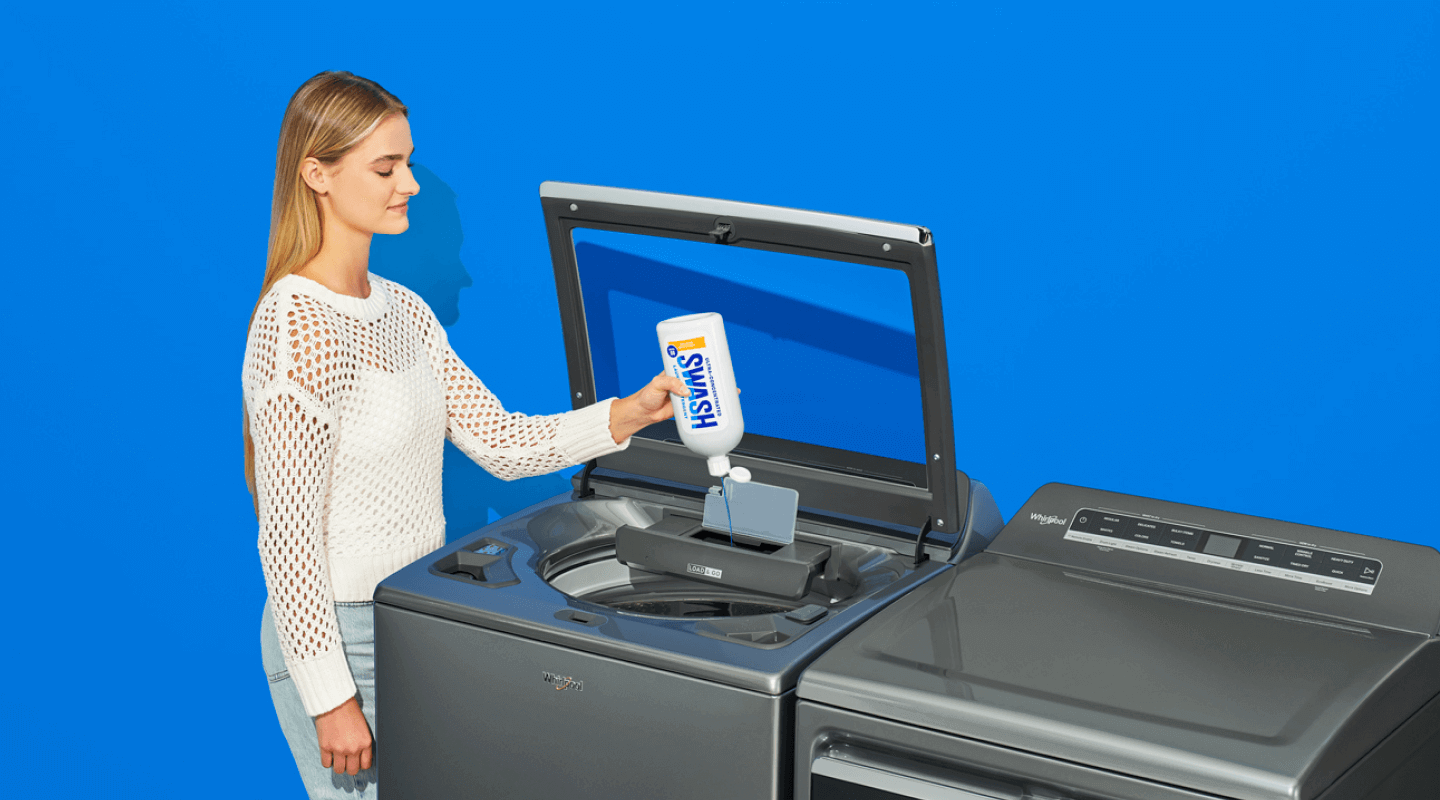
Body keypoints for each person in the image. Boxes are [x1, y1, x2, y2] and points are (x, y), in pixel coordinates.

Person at [243, 71, 686, 799]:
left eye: (407, 162)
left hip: (418, 616)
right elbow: (286, 537)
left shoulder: (405, 311)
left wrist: (627, 414)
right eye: (385, 168)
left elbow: (502, 442)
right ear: (316, 174)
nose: (408, 183)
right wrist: (330, 697)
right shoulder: (298, 325)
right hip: (341, 637)